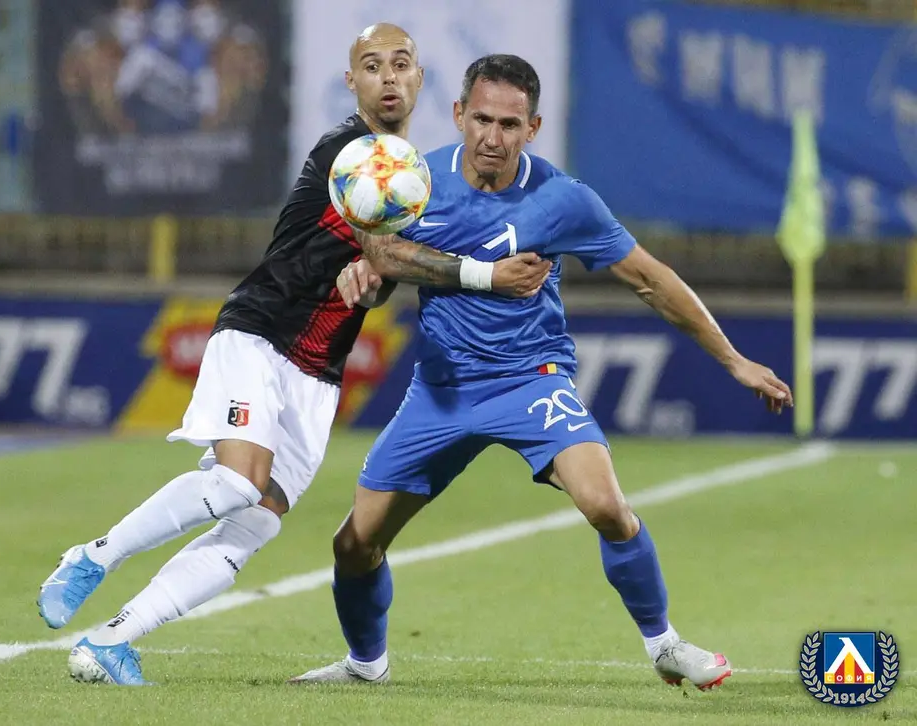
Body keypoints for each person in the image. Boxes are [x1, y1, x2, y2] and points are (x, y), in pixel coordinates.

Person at [37, 27, 553, 686]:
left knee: (255, 521)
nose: (388, 78)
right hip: (262, 332)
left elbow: (380, 269)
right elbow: (387, 249)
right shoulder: (350, 151)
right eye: (372, 66)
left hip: (317, 373)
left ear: (421, 79)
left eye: (401, 65)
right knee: (236, 483)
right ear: (351, 82)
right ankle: (93, 557)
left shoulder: (412, 173)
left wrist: (372, 280)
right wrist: (484, 274)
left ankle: (114, 639)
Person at [290, 54, 794, 690]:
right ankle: (366, 666)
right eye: (481, 120)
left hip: (531, 380)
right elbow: (388, 266)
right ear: (458, 114)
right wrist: (369, 282)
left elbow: (651, 280)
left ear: (532, 128)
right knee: (354, 545)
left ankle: (664, 642)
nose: (492, 138)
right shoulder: (414, 183)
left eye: (509, 124)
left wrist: (735, 360)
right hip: (442, 391)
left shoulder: (563, 200)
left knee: (606, 505)